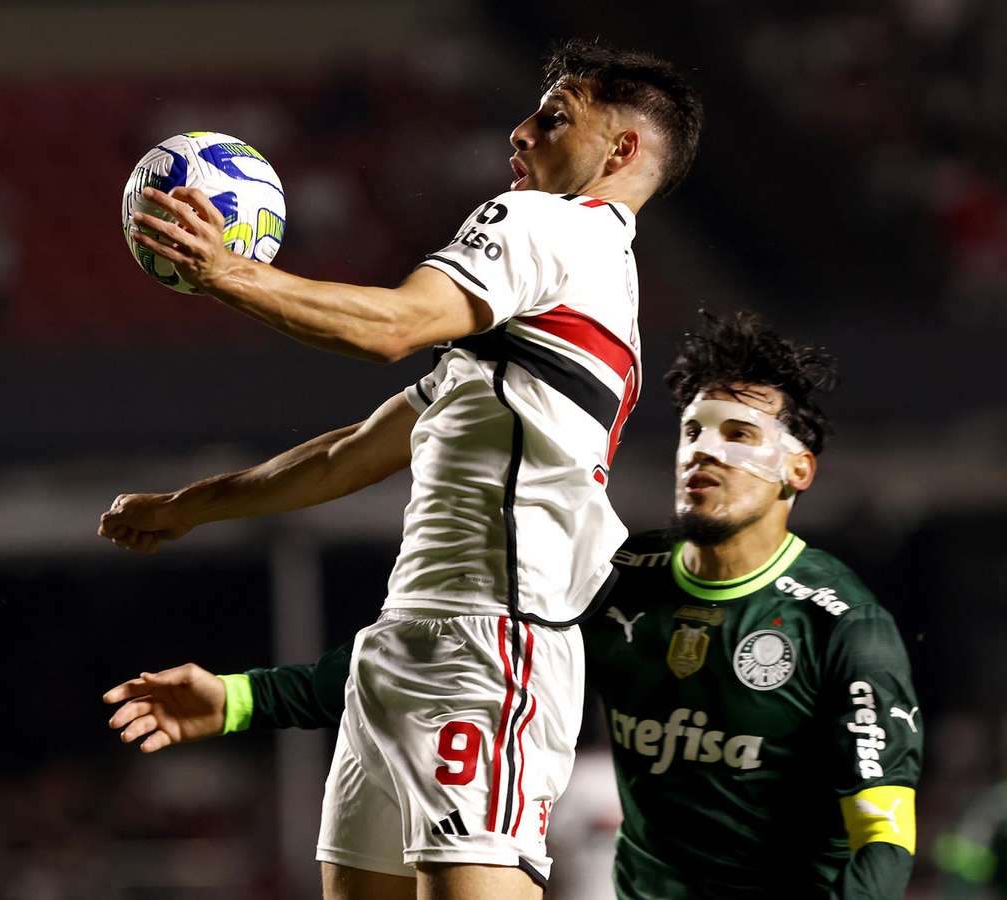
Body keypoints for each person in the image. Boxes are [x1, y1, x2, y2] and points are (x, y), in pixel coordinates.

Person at [101, 38, 703, 900]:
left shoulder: (547, 226)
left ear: (622, 150)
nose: (520, 132)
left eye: (555, 115)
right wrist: (190, 507)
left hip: (493, 648)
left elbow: (389, 326)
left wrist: (227, 271)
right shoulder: (560, 304)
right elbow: (355, 451)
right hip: (404, 645)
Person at [105, 312, 923, 899]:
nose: (706, 450)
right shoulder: (617, 577)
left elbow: (883, 841)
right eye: (693, 430)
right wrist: (244, 698)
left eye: (740, 434)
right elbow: (441, 662)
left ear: (798, 472)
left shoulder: (840, 625)